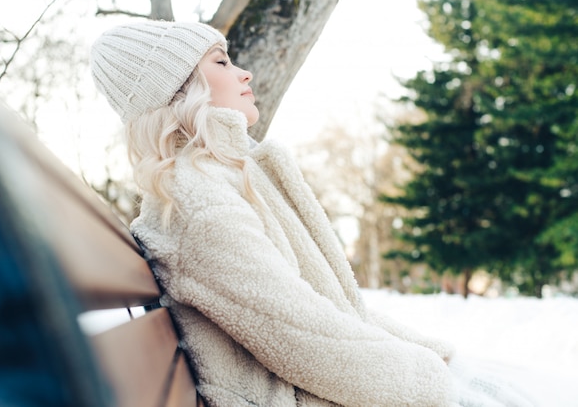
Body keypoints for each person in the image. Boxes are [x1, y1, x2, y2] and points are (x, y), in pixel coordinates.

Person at [89, 20, 535, 407]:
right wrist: (432, 381)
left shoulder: (223, 179)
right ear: (182, 89)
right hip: (299, 396)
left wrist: (435, 357)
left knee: (514, 384)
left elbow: (332, 310)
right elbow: (303, 337)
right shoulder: (196, 198)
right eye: (221, 62)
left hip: (312, 388)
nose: (244, 72)